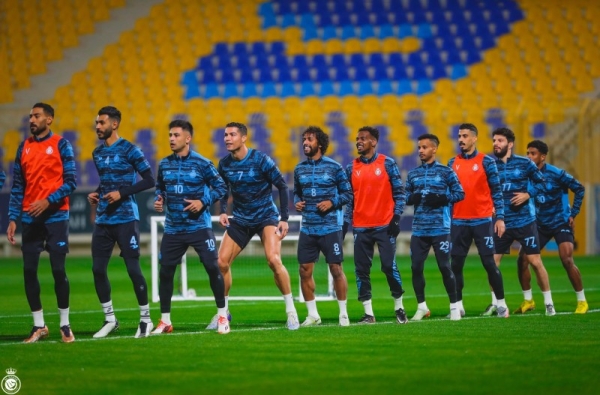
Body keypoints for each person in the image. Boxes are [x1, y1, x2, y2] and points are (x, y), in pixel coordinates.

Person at [208, 122, 300, 330]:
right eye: (225, 135)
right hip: (241, 219)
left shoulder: (261, 160)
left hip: (266, 216)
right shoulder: (224, 164)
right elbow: (223, 189)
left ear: (243, 138)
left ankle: (291, 312)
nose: (227, 138)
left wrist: (284, 218)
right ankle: (223, 313)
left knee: (273, 260)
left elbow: (282, 185)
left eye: (232, 134)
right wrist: (223, 210)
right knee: (221, 263)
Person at [6, 102, 77, 343]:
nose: (32, 120)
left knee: (58, 270)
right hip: (29, 218)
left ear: (49, 119)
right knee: (29, 271)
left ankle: (65, 324)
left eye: (36, 116)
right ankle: (39, 326)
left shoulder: (61, 144)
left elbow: (71, 182)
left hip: (56, 216)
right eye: (30, 116)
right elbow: (18, 186)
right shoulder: (23, 147)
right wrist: (13, 218)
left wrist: (48, 201)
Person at [153, 120, 230, 334]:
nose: (171, 138)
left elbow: (221, 187)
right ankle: (165, 320)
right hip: (173, 229)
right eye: (170, 135)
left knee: (213, 267)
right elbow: (160, 187)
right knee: (166, 272)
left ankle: (223, 316)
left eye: (176, 135)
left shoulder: (202, 163)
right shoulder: (164, 164)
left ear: (187, 138)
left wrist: (202, 201)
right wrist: (159, 198)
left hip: (199, 227)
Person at [87, 106, 156, 338]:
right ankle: (109, 319)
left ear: (114, 124)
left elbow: (149, 180)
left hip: (126, 218)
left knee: (133, 269)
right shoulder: (97, 153)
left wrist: (122, 193)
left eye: (102, 122)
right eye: (97, 122)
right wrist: (97, 193)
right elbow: (107, 182)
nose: (97, 126)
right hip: (104, 218)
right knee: (97, 269)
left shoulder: (130, 150)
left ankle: (145, 319)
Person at [343, 126, 408, 324]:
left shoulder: (387, 163)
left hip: (384, 225)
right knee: (361, 269)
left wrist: (396, 218)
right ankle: (368, 314)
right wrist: (345, 224)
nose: (358, 142)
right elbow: (349, 200)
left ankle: (399, 307)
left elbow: (400, 193)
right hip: (361, 227)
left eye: (363, 138)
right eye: (357, 138)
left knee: (389, 266)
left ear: (373, 142)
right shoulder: (350, 168)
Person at [514, 140, 587, 314]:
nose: (529, 157)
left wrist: (573, 213)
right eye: (528, 153)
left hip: (560, 222)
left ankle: (582, 301)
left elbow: (579, 188)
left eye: (533, 154)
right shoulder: (526, 175)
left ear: (543, 156)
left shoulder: (556, 174)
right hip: (539, 224)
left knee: (567, 259)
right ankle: (528, 300)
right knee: (522, 259)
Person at [490, 127, 556, 316]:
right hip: (501, 223)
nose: (496, 143)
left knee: (535, 261)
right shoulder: (490, 165)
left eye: (500, 140)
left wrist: (528, 194)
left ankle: (549, 303)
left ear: (510, 144)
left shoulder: (524, 163)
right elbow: (486, 190)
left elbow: (542, 183)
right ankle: (497, 303)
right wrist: (490, 205)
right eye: (494, 140)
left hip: (524, 221)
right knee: (492, 263)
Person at [293, 126, 353, 327]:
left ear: (319, 143)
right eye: (303, 139)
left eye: (309, 139)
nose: (305, 143)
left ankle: (343, 313)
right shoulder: (299, 169)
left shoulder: (334, 167)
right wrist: (297, 202)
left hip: (330, 227)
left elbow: (348, 194)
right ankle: (312, 315)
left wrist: (332, 202)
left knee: (336, 268)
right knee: (304, 270)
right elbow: (297, 193)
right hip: (308, 227)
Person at [447, 123, 508, 318]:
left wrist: (500, 218)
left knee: (489, 264)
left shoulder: (486, 162)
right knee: (455, 265)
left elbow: (497, 192)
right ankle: (457, 307)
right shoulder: (451, 163)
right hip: (458, 221)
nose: (461, 140)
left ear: (474, 138)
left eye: (465, 136)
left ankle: (501, 305)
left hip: (481, 220)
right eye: (459, 136)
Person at [405, 134, 465, 321]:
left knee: (445, 267)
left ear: (434, 149)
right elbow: (404, 196)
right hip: (420, 229)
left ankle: (454, 307)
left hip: (440, 228)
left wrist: (443, 198)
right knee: (415, 267)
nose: (420, 150)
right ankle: (421, 306)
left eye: (424, 147)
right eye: (419, 147)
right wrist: (410, 198)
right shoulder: (413, 173)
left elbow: (460, 193)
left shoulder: (446, 172)